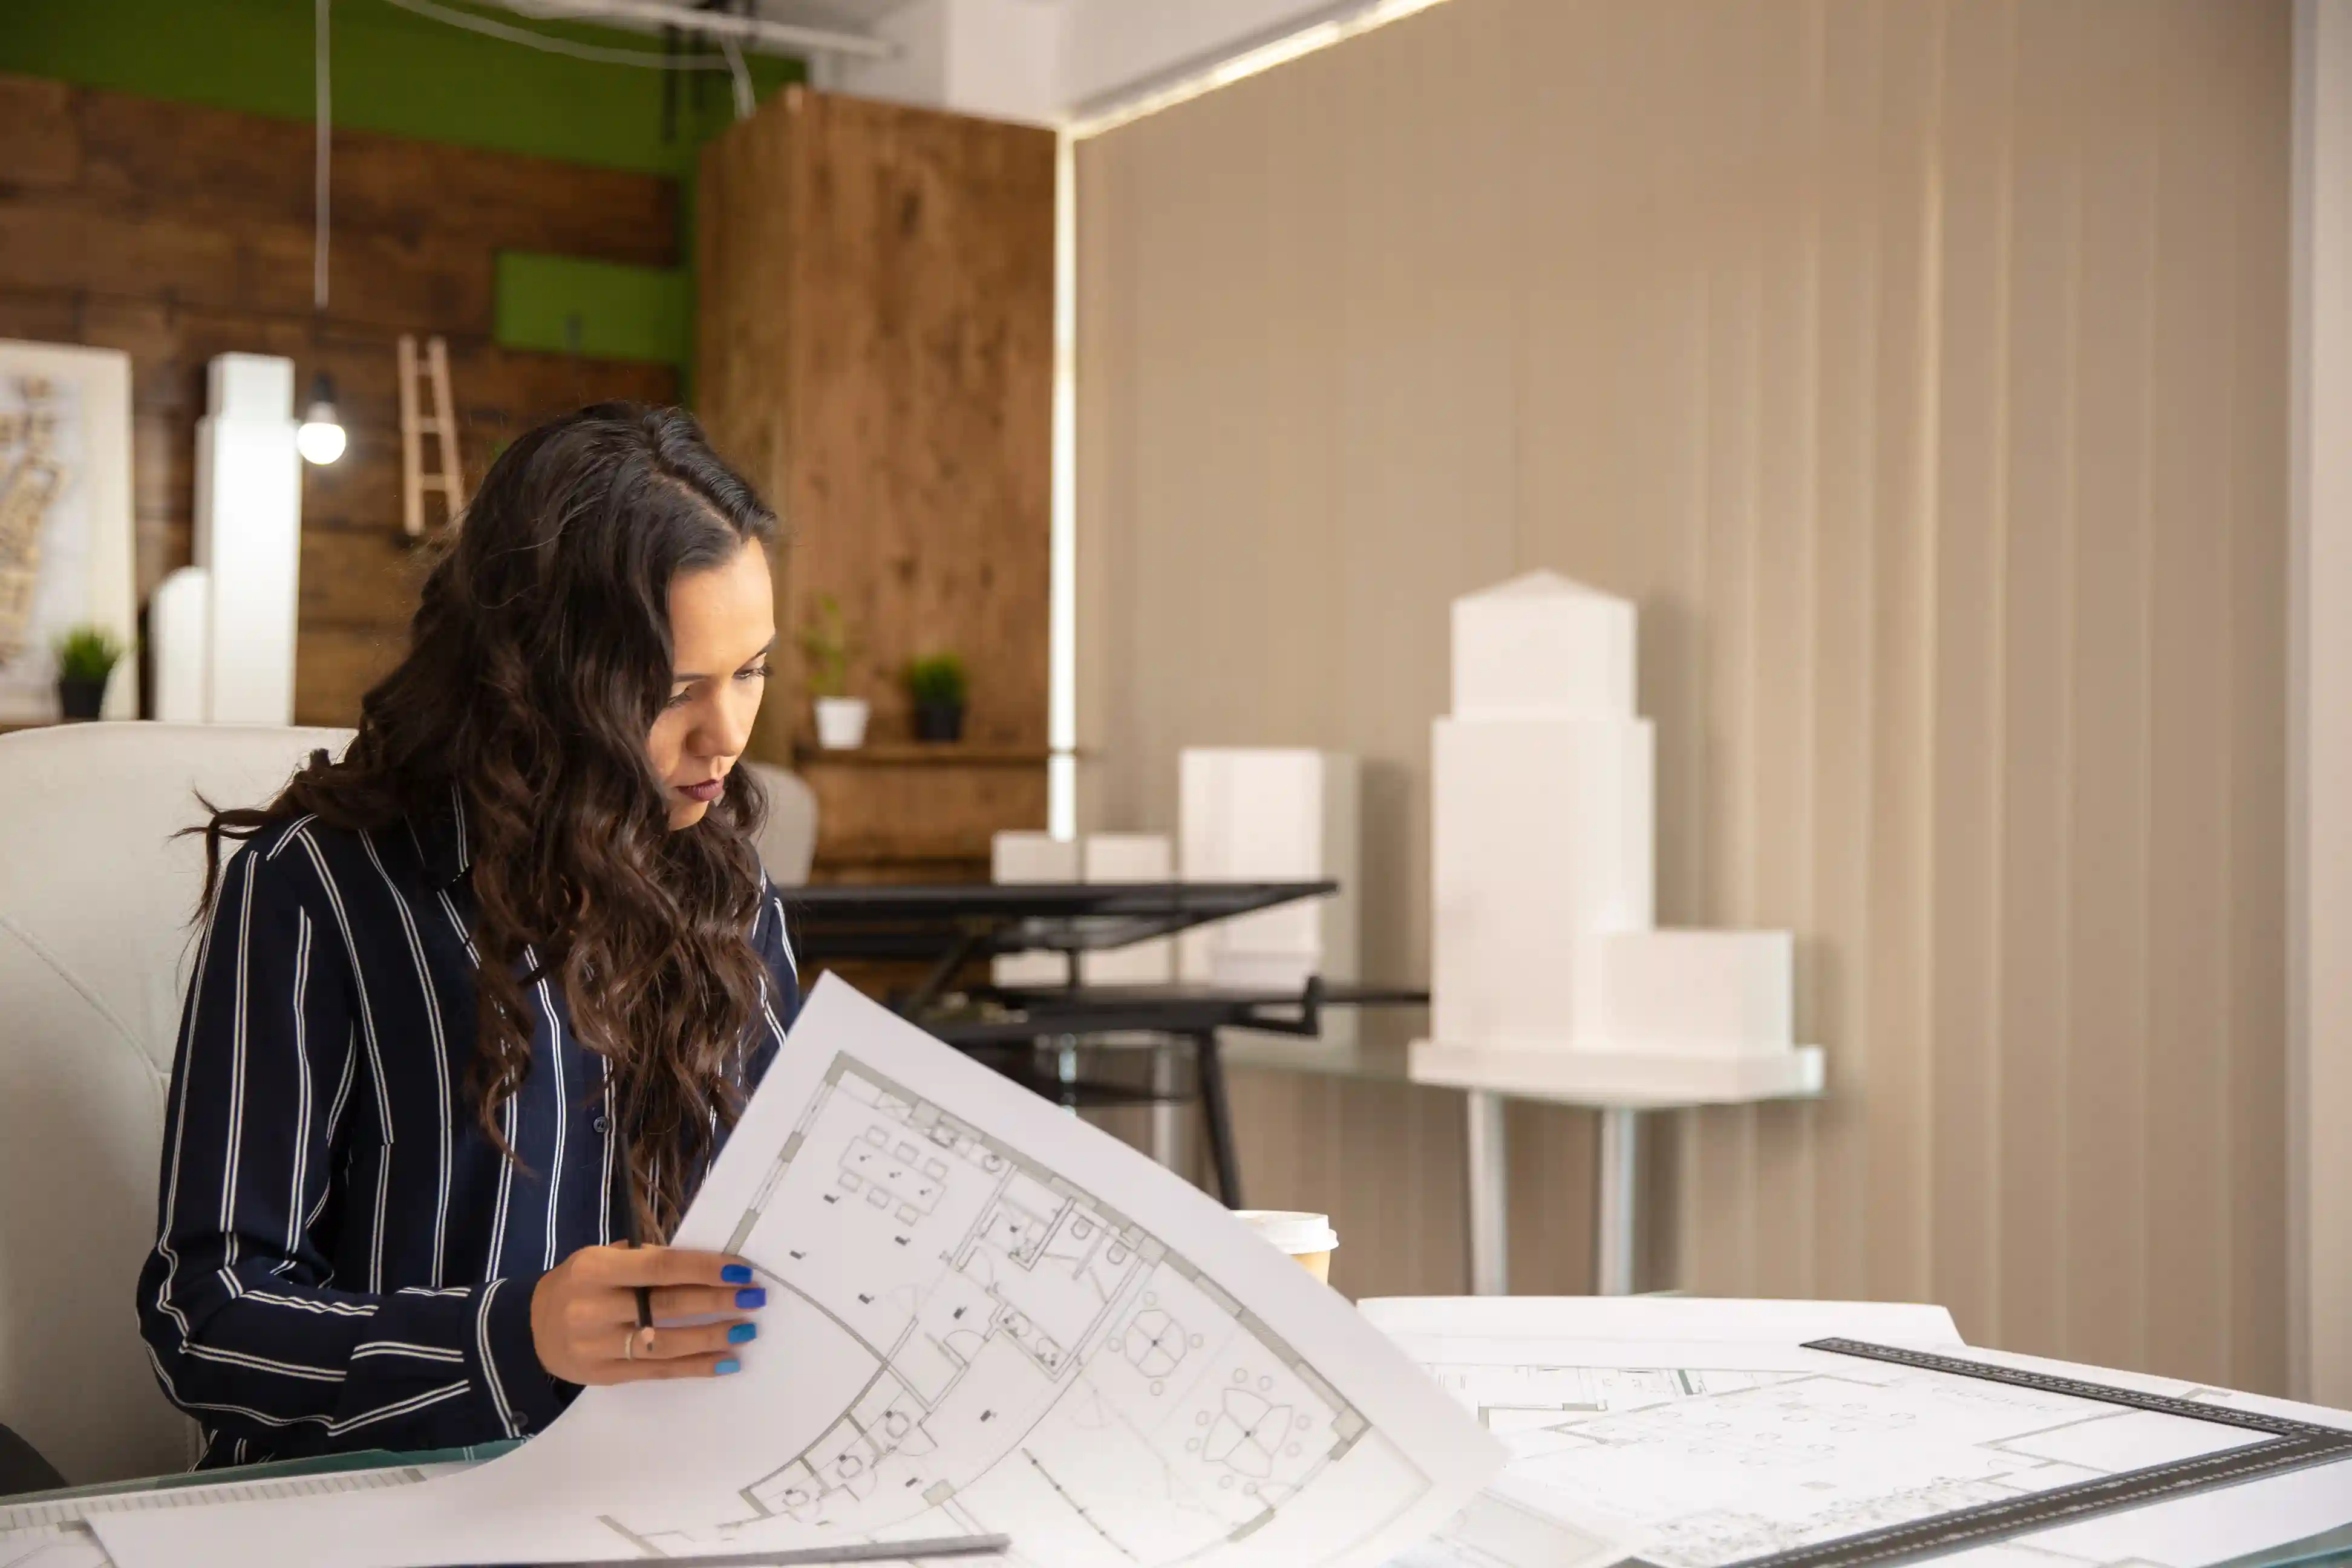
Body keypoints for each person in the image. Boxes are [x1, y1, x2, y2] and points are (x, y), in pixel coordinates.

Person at [137, 404, 800, 1467]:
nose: (726, 736)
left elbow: (788, 1237)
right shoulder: (320, 889)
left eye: (751, 671)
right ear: (541, 671)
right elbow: (206, 1319)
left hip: (655, 1495)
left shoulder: (727, 891)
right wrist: (514, 1338)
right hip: (377, 1510)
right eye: (674, 692)